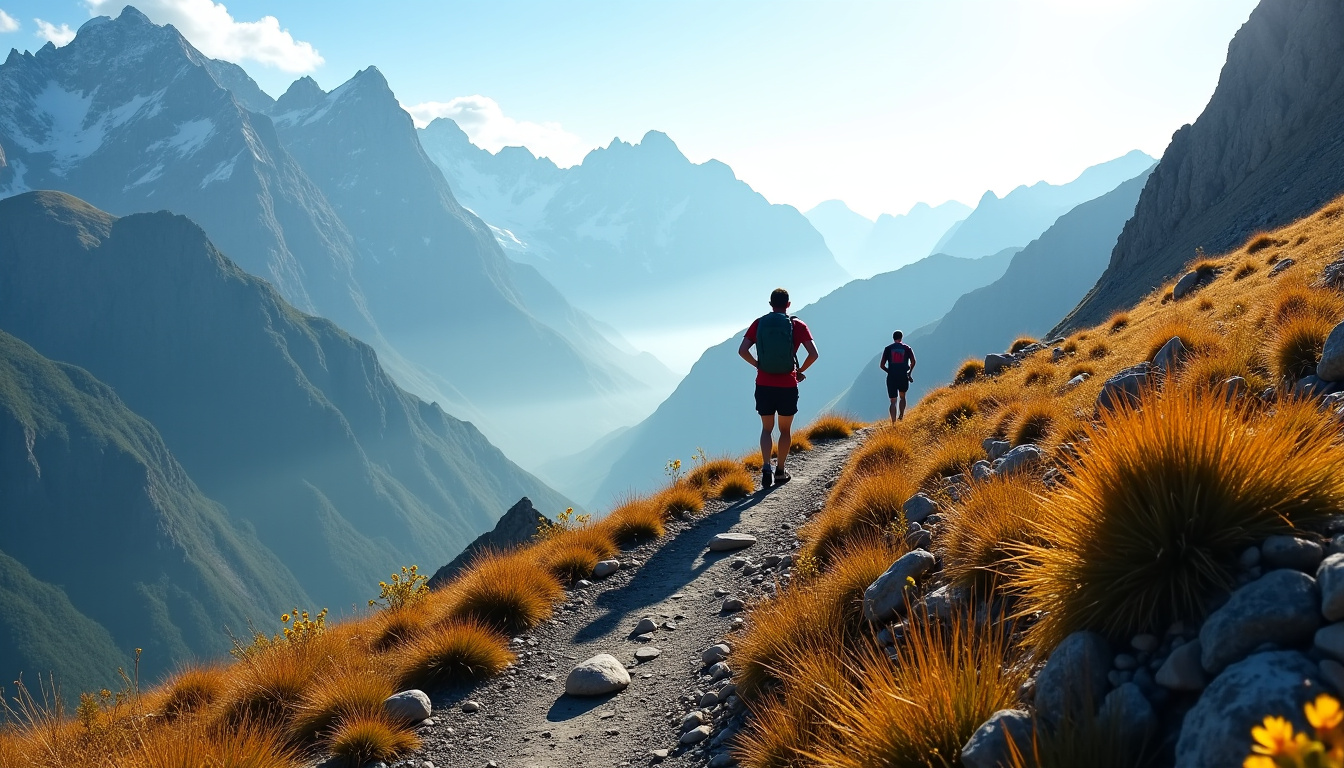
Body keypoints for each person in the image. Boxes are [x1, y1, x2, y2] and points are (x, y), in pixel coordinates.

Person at [738, 288, 819, 488]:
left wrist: (758, 364)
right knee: (785, 430)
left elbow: (742, 350)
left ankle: (766, 467)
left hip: (764, 384)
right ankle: (780, 471)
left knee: (766, 429)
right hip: (787, 384)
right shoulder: (797, 325)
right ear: (788, 304)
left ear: (770, 303)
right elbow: (814, 354)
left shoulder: (759, 323)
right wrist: (799, 370)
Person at [879, 330, 916, 422]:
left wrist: (889, 371)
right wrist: (909, 373)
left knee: (893, 401)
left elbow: (882, 365)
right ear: (901, 337)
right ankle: (901, 417)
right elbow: (913, 361)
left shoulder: (888, 349)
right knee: (902, 396)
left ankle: (893, 423)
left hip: (892, 377)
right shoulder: (907, 348)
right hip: (903, 375)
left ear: (893, 337)